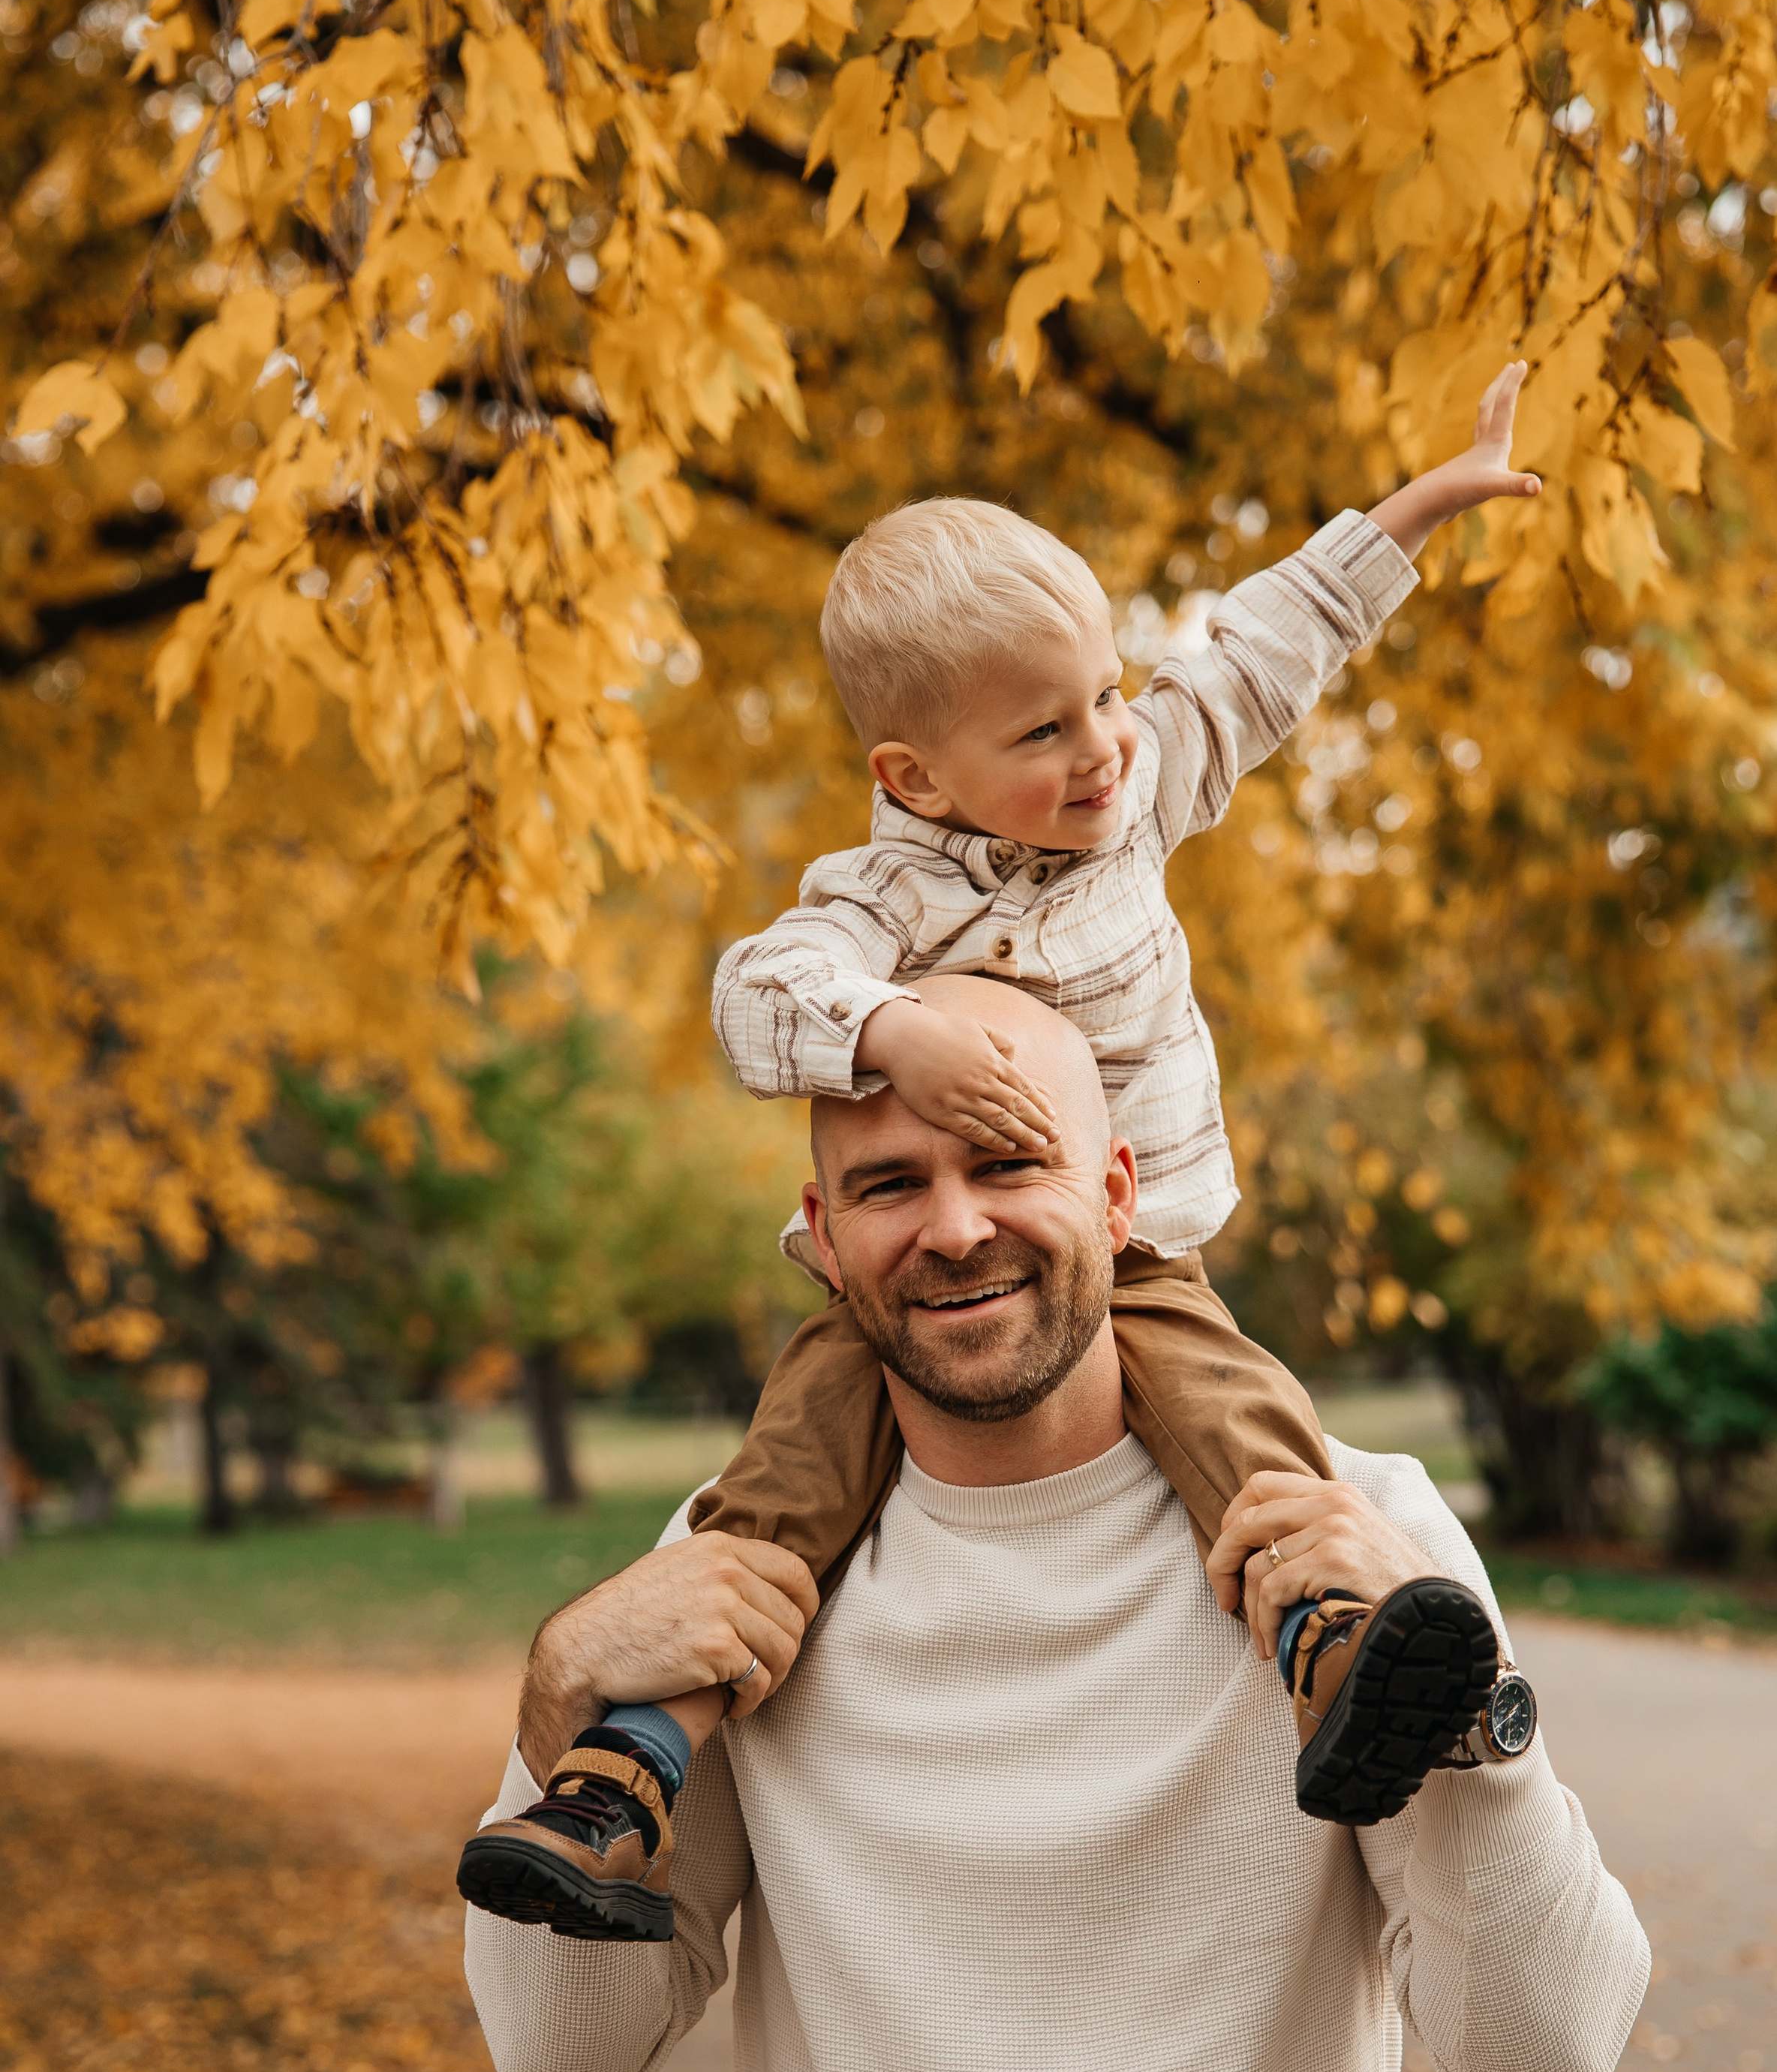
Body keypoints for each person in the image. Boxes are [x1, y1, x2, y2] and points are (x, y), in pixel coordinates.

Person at [464, 984, 1648, 2072]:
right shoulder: (740, 1574)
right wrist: (552, 1718)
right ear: (818, 1237)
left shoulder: (1354, 1551)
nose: (952, 1229)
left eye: (1006, 1164)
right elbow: (558, 2064)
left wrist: (1474, 1734)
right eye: (886, 1186)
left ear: (1113, 1196)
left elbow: (1547, 2062)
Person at [458, 371, 1544, 1941]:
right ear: (915, 775)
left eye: (1103, 694)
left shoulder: (1140, 790)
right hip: (898, 1302)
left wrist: (1415, 514)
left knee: (1243, 1424)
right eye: (1042, 729)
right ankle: (624, 1775)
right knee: (775, 1497)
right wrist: (893, 1036)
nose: (1103, 749)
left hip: (1140, 1253)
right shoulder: (882, 897)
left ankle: (1338, 1655)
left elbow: (1263, 651)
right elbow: (754, 991)